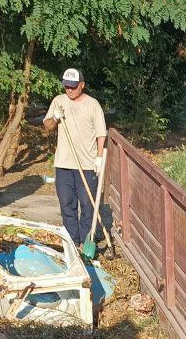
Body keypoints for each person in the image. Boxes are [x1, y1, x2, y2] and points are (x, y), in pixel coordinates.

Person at [43, 68, 107, 247]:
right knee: (66, 204)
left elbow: (101, 133)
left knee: (88, 205)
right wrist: (55, 118)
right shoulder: (59, 101)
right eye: (66, 87)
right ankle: (72, 242)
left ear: (82, 85)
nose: (69, 90)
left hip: (86, 165)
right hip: (63, 164)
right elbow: (47, 126)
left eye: (72, 87)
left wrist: (99, 157)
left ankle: (86, 242)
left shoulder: (93, 105)